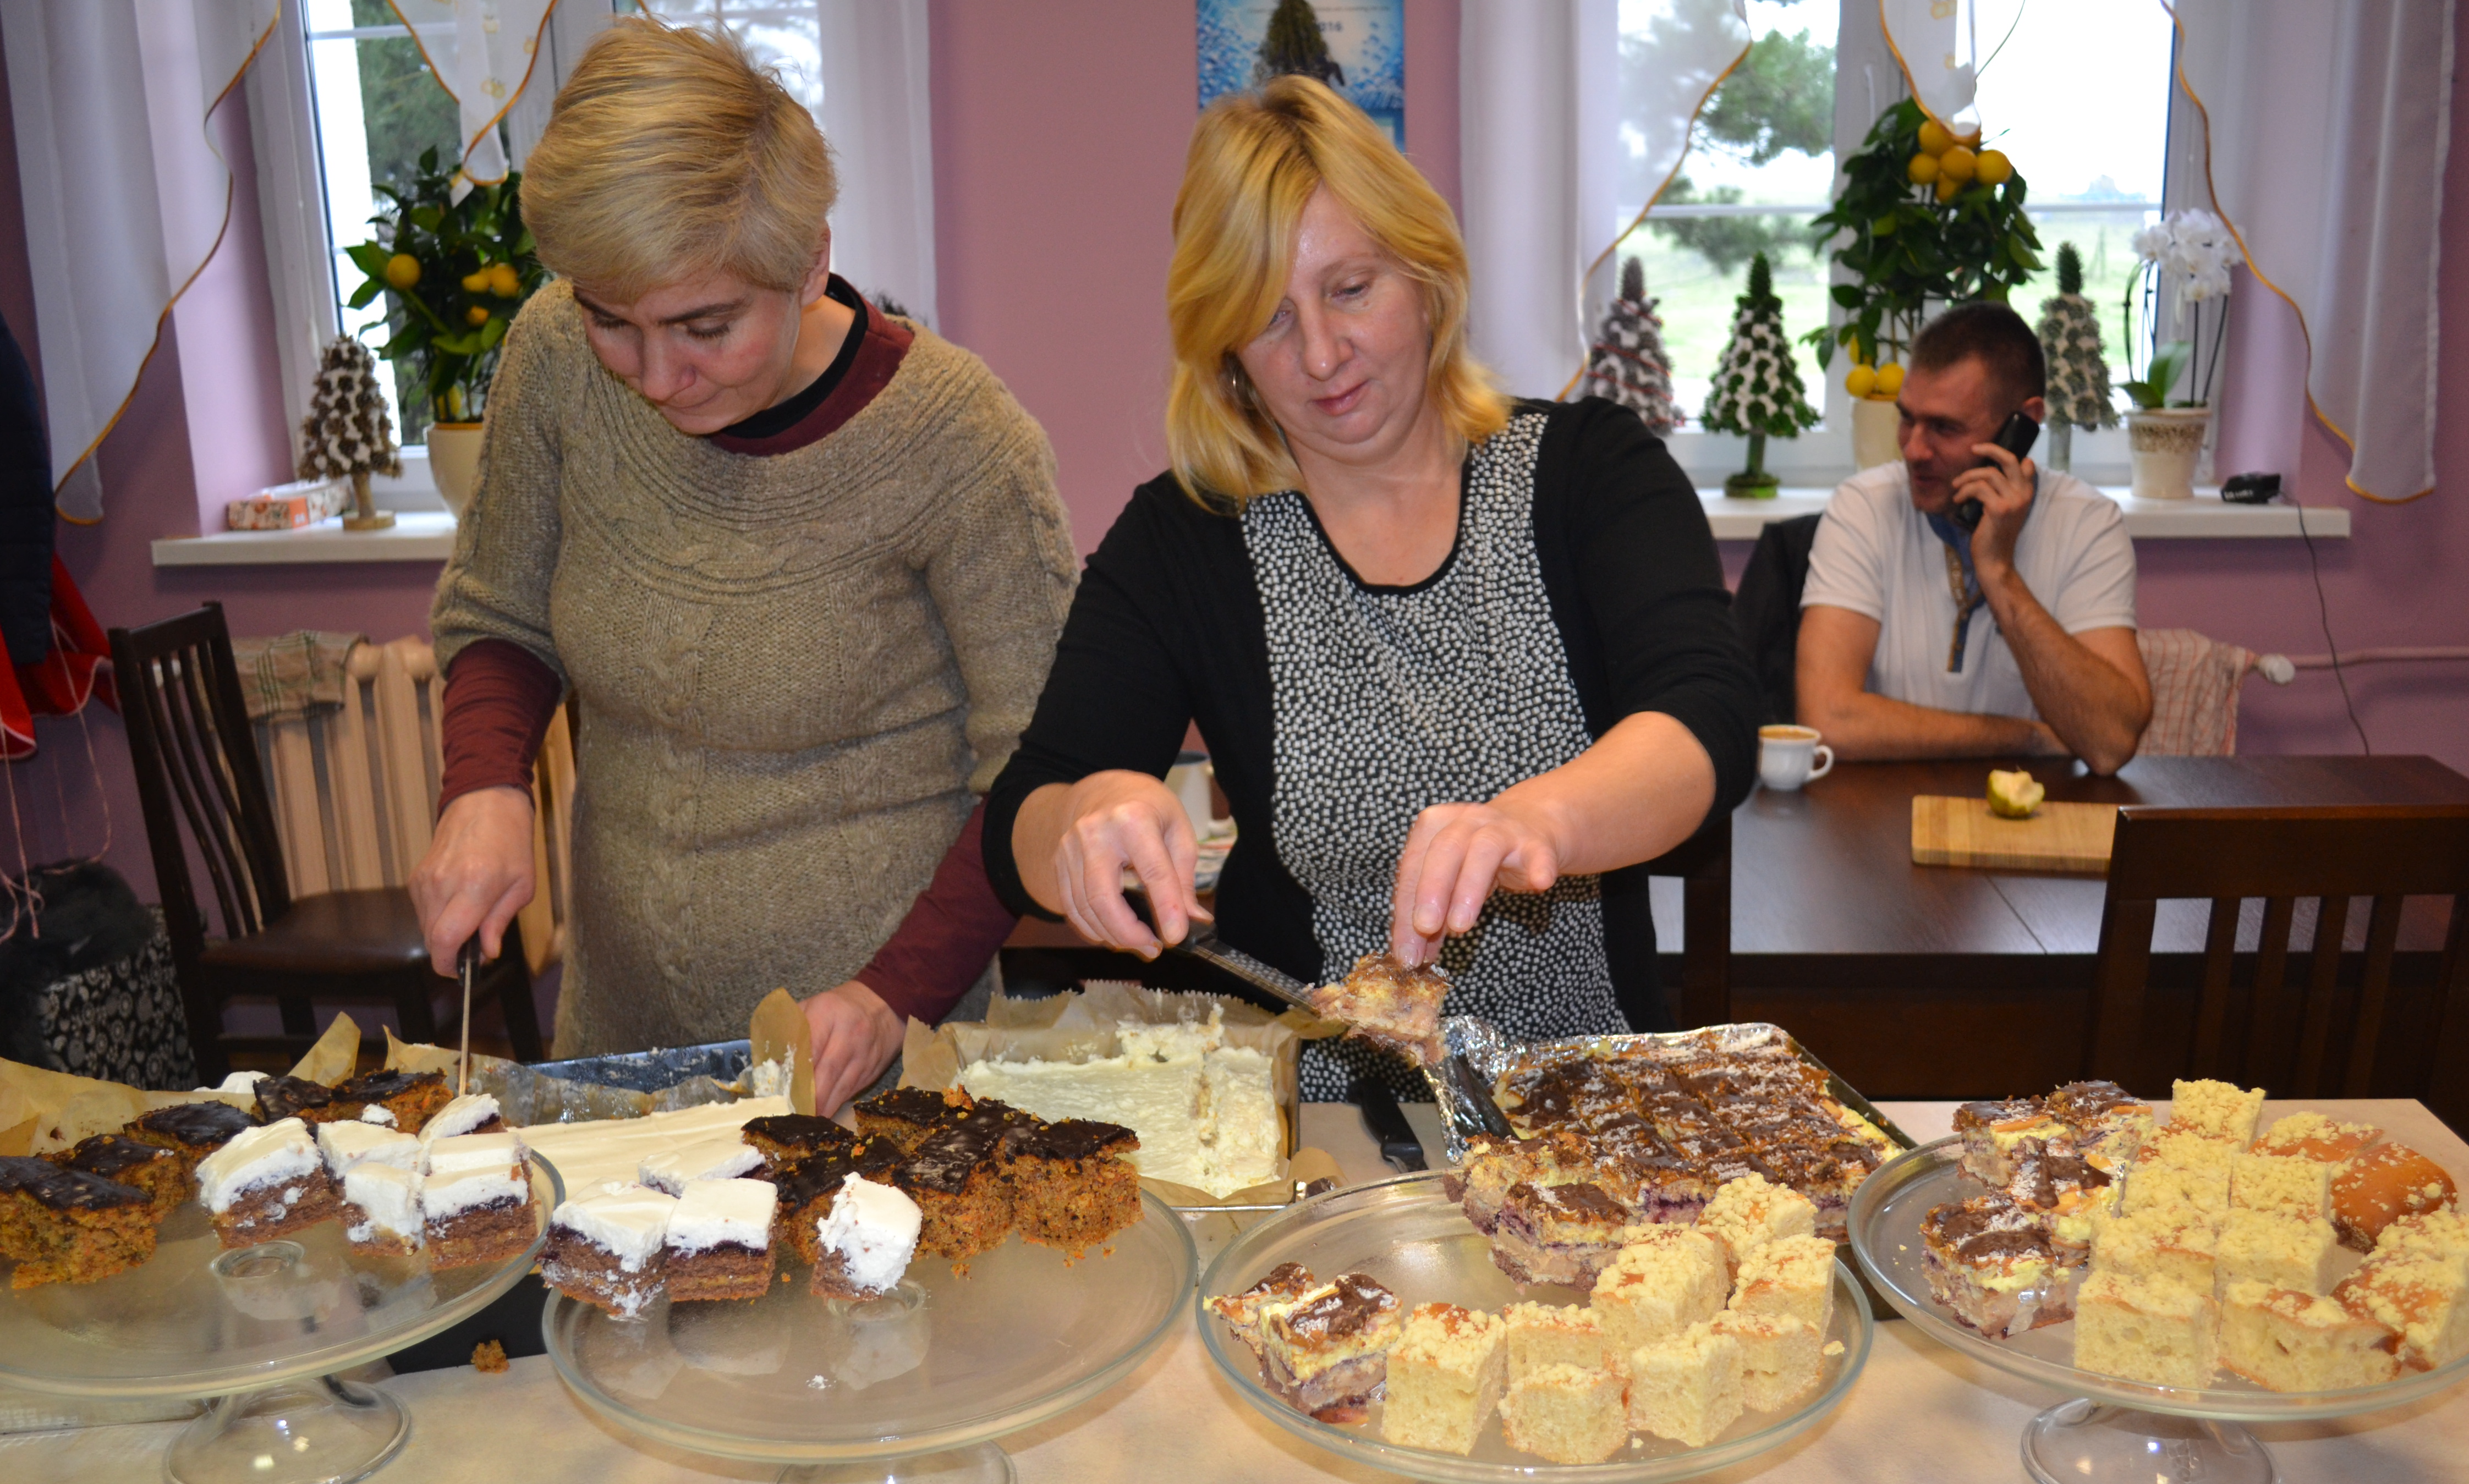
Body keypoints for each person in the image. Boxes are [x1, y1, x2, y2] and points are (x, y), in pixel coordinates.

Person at [980, 78, 1760, 1101]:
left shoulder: (1589, 472)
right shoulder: (1188, 539)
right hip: (1318, 1125)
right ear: (1226, 355)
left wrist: (1540, 823)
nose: (1319, 354)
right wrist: (1084, 815)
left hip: (1587, 1095)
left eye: (1350, 290)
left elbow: (1707, 717)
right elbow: (1021, 819)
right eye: (1268, 319)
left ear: (1426, 277)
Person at [412, 21, 1077, 1112]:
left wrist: (891, 995)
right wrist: (485, 786)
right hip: (621, 1039)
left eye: (705, 327)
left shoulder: (958, 443)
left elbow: (1036, 770)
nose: (655, 376)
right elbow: (501, 612)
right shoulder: (553, 356)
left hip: (871, 1062)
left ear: (808, 261)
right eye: (613, 321)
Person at [1795, 303, 2151, 772]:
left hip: (2029, 808)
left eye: (1945, 428)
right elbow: (1829, 722)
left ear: (2023, 423)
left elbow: (2111, 743)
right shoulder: (1864, 505)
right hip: (1881, 806)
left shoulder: (2086, 522)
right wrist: (2028, 737)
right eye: (1908, 419)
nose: (1914, 450)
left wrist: (1999, 571)